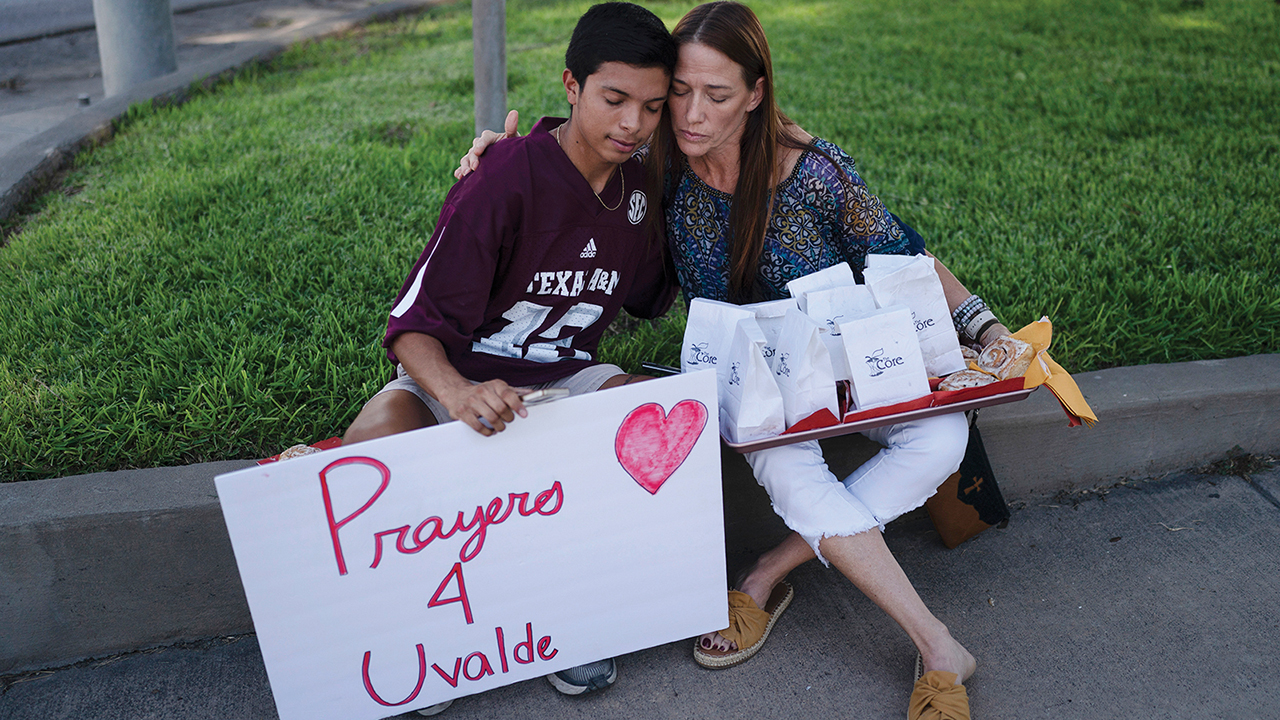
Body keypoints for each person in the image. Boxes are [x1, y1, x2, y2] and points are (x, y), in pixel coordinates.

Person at [457, 3, 1016, 718]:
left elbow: (906, 255)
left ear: (755, 94)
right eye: (681, 92)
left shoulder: (811, 174)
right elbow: (581, 143)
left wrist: (987, 329)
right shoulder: (659, 173)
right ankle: (938, 646)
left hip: (849, 368)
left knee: (942, 436)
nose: (690, 114)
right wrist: (498, 157)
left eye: (717, 95)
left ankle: (766, 572)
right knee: (783, 461)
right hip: (748, 388)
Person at [341, 3, 678, 714]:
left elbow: (658, 291)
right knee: (371, 445)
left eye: (651, 107)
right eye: (614, 100)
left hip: (560, 377)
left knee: (643, 412)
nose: (631, 125)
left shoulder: (642, 189)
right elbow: (411, 330)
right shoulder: (501, 180)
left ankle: (570, 619)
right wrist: (458, 394)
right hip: (459, 376)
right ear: (571, 86)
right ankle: (426, 640)